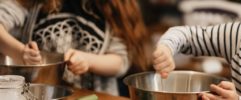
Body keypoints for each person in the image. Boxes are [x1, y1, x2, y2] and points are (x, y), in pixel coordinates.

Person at [0, 0, 148, 96]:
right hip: (34, 95)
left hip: (93, 96)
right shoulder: (34, 3)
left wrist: (88, 61)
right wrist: (19, 52)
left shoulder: (114, 7)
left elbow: (120, 62)